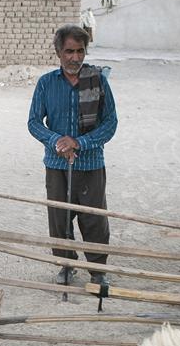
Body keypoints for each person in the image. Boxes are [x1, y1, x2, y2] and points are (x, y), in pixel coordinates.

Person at [28, 24, 117, 286]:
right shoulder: (46, 83)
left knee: (94, 220)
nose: (75, 57)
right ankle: (66, 265)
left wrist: (79, 143)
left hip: (90, 164)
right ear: (58, 52)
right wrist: (56, 140)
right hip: (56, 164)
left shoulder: (98, 81)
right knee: (59, 219)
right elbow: (34, 122)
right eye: (69, 51)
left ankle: (97, 271)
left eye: (80, 51)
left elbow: (110, 123)